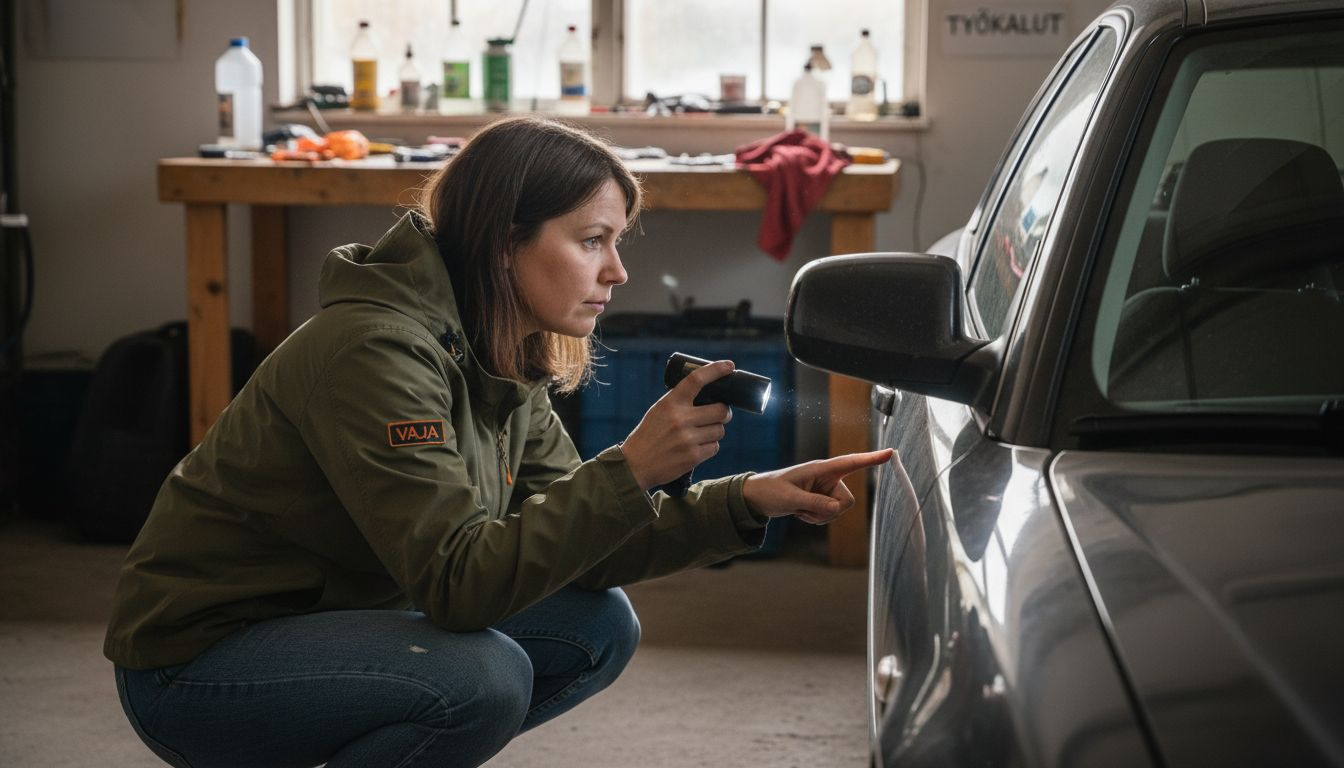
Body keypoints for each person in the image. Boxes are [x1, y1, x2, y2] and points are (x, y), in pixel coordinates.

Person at [104, 115, 893, 768]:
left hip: (332, 618)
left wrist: (747, 498)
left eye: (618, 243)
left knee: (597, 625)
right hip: (198, 666)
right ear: (504, 243)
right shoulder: (376, 352)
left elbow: (591, 546)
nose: (617, 271)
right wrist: (630, 468)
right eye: (592, 240)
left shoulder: (496, 353)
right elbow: (458, 586)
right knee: (477, 677)